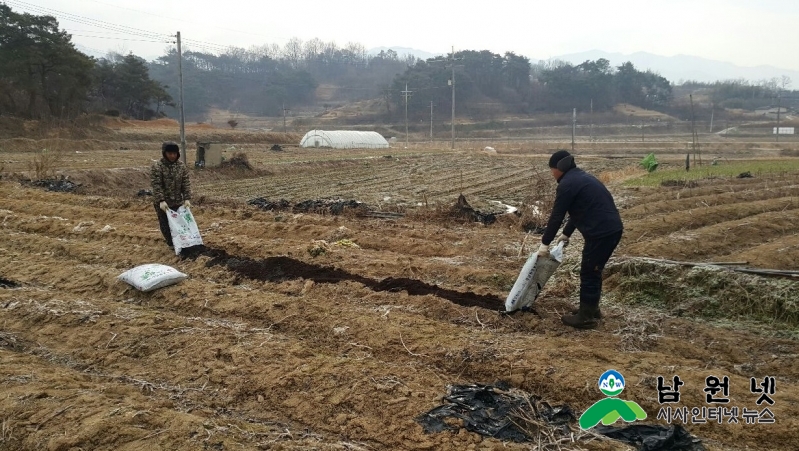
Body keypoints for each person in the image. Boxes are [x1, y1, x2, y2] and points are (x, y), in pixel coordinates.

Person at [538, 150, 623, 329]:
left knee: (589, 271)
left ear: (559, 168)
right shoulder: (581, 178)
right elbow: (579, 211)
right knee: (594, 269)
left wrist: (544, 244)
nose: (552, 173)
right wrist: (566, 234)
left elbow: (556, 216)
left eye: (552, 169)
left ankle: (585, 317)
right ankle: (592, 309)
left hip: (601, 233)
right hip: (610, 229)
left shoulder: (567, 184)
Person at [151, 141, 192, 249]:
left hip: (177, 201)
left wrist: (187, 198)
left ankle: (183, 242)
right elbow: (156, 185)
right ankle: (171, 244)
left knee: (180, 223)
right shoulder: (158, 167)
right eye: (170, 153)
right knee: (166, 224)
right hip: (164, 203)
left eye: (174, 153)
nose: (172, 156)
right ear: (164, 153)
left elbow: (185, 182)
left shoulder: (181, 166)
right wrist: (161, 200)